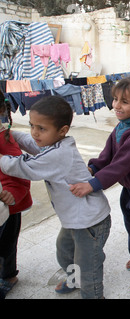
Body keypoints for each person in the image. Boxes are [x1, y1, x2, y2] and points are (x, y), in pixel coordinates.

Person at [0, 96, 111, 299]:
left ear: (63, 130)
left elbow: (23, 167)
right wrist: (7, 133)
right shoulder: (54, 143)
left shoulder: (59, 155)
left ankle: (93, 295)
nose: (34, 132)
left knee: (88, 264)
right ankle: (74, 278)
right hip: (74, 219)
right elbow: (30, 142)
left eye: (41, 128)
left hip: (90, 221)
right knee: (64, 251)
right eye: (32, 125)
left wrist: (1, 157)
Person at [70, 77, 130, 297]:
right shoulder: (122, 127)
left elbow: (121, 165)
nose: (116, 105)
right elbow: (108, 156)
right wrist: (93, 168)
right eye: (115, 99)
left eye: (124, 102)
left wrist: (92, 185)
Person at [0, 92, 32, 298]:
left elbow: (20, 172)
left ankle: (9, 276)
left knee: (6, 246)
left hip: (8, 206)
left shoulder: (4, 139)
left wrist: (11, 192)